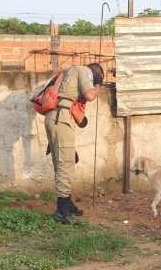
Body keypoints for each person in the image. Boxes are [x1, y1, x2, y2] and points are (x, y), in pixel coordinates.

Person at [45, 63, 103, 224]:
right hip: (61, 118)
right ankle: (62, 209)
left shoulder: (70, 72)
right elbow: (90, 95)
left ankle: (67, 202)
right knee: (66, 163)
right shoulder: (83, 70)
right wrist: (98, 86)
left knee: (63, 161)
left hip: (55, 117)